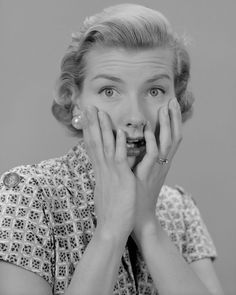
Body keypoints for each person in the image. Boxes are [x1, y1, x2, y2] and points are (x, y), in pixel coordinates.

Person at [0, 3, 224, 295]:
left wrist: (148, 225)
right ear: (75, 101)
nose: (136, 117)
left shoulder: (179, 208)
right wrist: (112, 229)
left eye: (154, 91)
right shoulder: (27, 193)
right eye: (109, 91)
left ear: (177, 102)